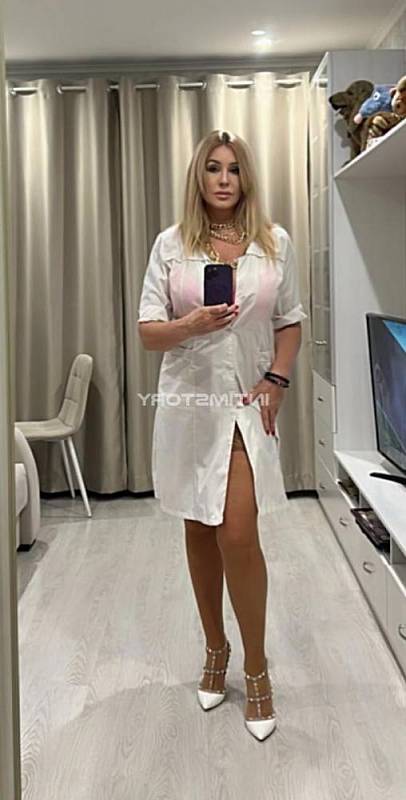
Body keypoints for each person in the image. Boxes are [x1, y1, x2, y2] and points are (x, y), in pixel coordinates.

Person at [138, 129, 307, 741]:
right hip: (189, 406)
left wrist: (278, 380)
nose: (224, 179)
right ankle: (216, 647)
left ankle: (256, 667)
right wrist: (191, 324)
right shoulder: (172, 245)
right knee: (199, 529)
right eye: (213, 168)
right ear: (199, 177)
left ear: (246, 178)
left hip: (244, 405)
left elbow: (290, 320)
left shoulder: (274, 242)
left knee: (237, 532)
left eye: (234, 169)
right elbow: (148, 331)